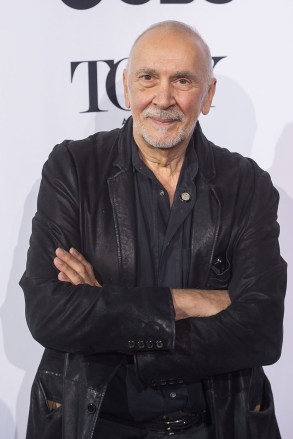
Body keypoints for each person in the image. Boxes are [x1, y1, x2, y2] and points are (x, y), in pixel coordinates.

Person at [20, 20, 286, 439]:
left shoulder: (246, 184)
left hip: (217, 424)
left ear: (207, 95)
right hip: (97, 424)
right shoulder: (73, 169)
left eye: (182, 80)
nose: (163, 99)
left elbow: (263, 330)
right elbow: (49, 313)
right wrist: (191, 302)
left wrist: (109, 313)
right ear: (126, 87)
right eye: (148, 78)